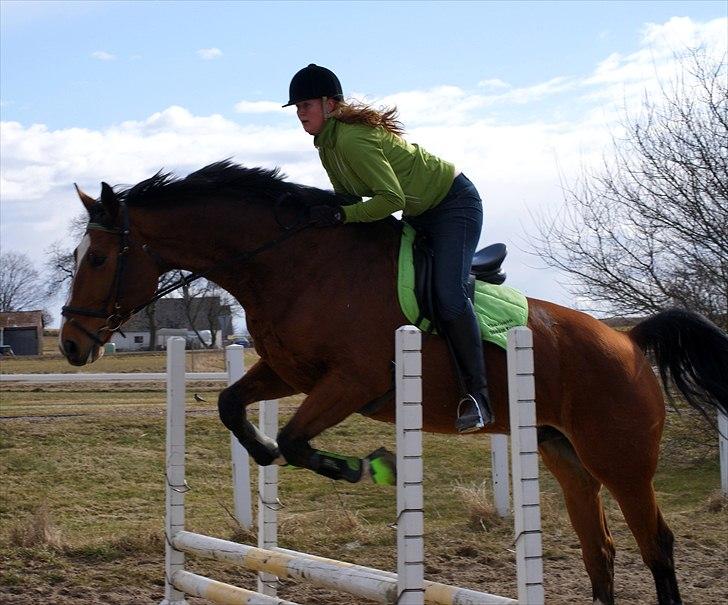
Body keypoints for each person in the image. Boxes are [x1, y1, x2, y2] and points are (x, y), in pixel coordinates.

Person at [283, 63, 493, 433]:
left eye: (306, 105)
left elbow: (388, 199)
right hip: (421, 212)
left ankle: (478, 396)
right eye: (297, 107)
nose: (301, 114)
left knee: (447, 294)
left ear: (331, 104)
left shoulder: (350, 139)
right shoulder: (326, 145)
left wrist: (341, 217)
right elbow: (347, 200)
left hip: (453, 205)